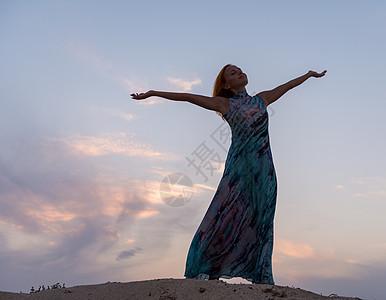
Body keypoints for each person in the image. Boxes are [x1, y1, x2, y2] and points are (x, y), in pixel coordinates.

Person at [131, 65, 326, 285]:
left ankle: (261, 276)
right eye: (233, 73)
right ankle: (209, 267)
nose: (240, 73)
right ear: (226, 85)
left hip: (264, 171)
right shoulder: (224, 104)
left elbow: (289, 85)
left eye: (240, 70)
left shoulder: (262, 99)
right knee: (222, 218)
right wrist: (153, 93)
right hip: (237, 173)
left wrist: (309, 76)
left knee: (263, 220)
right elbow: (187, 97)